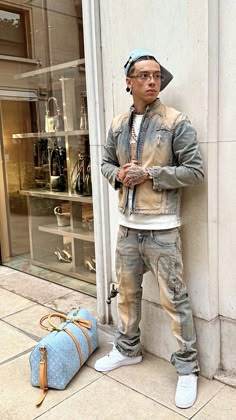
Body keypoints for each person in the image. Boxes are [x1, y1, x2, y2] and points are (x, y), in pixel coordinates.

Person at [95, 49, 204, 409]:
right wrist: (119, 175)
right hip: (127, 229)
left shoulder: (175, 121)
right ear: (129, 82)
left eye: (156, 75)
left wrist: (151, 174)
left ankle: (187, 369)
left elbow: (195, 171)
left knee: (177, 301)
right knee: (126, 295)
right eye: (143, 75)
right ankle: (128, 349)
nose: (152, 81)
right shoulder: (116, 124)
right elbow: (106, 163)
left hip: (163, 230)